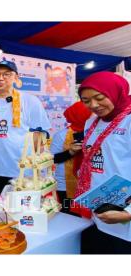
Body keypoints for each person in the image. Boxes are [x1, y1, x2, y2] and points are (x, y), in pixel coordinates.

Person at [74, 71, 131, 254]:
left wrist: (129, 212)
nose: (94, 105)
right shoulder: (91, 122)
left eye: (100, 97)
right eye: (86, 100)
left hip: (125, 213)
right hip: (97, 207)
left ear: (116, 91)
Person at [0, 60, 51, 201]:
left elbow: (40, 134)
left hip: (21, 172)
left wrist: (37, 166)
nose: (0, 78)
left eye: (6, 74)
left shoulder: (30, 101)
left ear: (16, 77)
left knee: (21, 215)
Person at [50, 101, 91, 214]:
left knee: (86, 218)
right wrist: (70, 152)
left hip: (90, 186)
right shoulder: (62, 135)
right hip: (65, 187)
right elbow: (52, 159)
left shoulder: (96, 133)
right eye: (90, 113)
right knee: (69, 215)